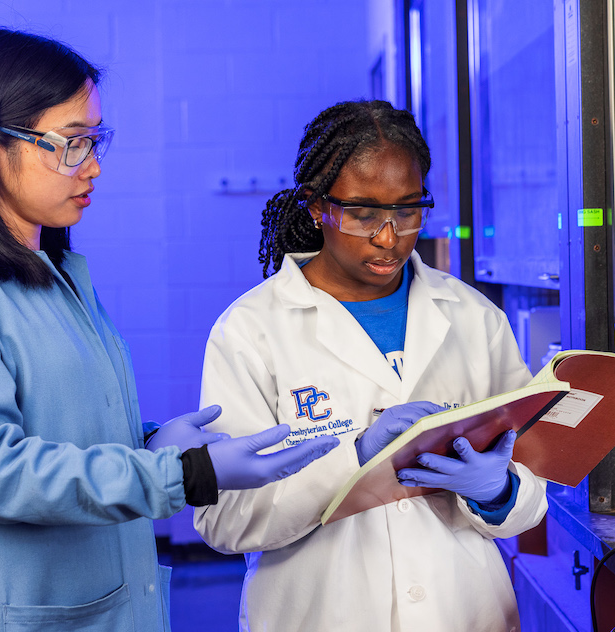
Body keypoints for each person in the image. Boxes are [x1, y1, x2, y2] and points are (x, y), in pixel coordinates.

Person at [0, 29, 338, 632]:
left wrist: (148, 442)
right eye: (70, 144)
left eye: (96, 142)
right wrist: (188, 474)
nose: (91, 167)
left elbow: (65, 431)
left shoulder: (56, 274)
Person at [193, 100, 549, 631]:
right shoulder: (251, 329)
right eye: (363, 214)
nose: (390, 237)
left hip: (463, 611)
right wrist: (351, 460)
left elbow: (532, 489)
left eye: (408, 210)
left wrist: (498, 493)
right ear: (316, 207)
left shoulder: (474, 317)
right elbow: (223, 520)